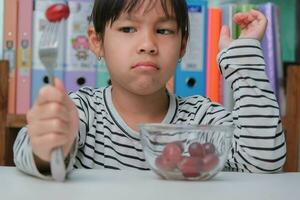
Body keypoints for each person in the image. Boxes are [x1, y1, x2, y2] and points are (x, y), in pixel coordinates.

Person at [14, 0, 286, 179]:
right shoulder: (81, 112)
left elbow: (262, 164)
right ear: (96, 42)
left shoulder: (204, 120)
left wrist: (243, 59)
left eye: (165, 31)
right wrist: (49, 150)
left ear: (182, 46)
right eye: (128, 28)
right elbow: (26, 150)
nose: (148, 44)